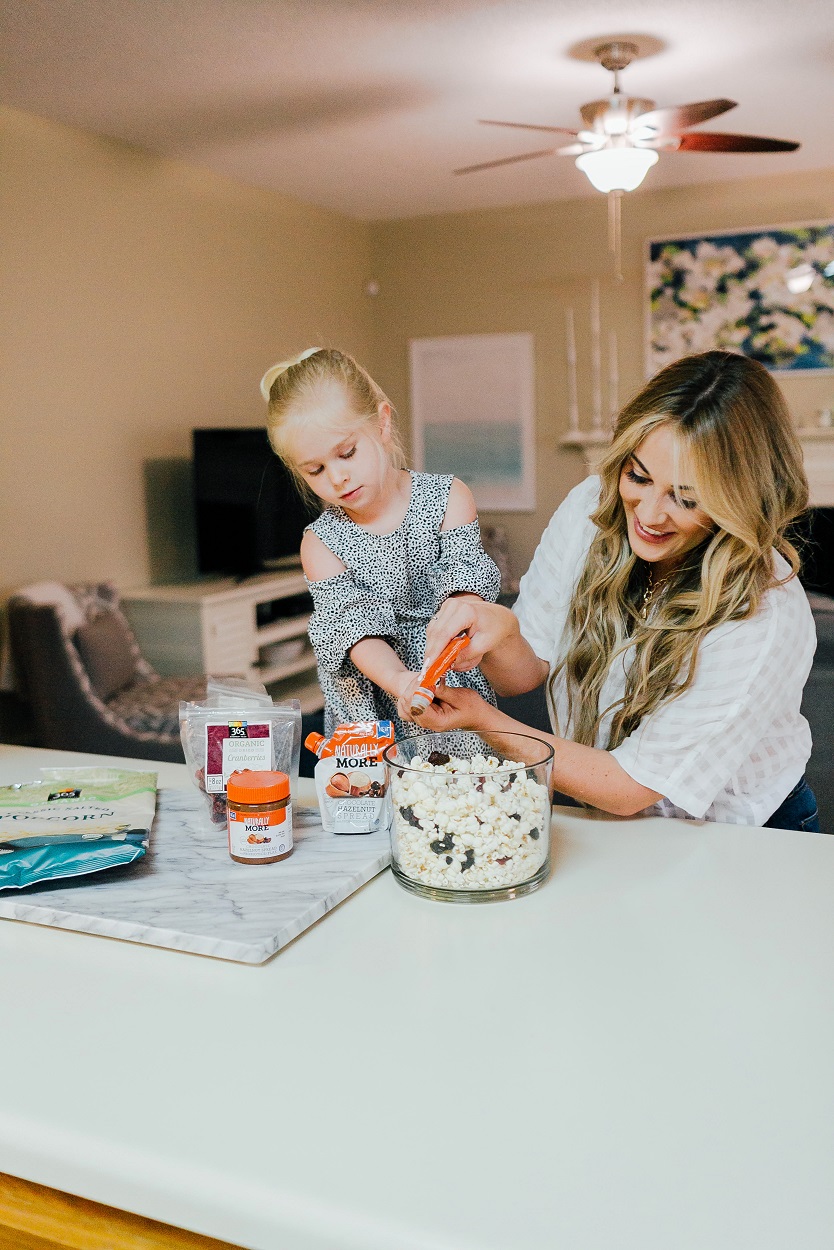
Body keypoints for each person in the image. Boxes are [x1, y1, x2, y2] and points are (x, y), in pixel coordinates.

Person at [410, 350, 820, 832]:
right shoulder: (590, 507)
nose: (647, 515)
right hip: (610, 812)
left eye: (685, 498)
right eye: (638, 476)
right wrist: (497, 631)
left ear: (740, 498)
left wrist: (484, 723)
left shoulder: (764, 613)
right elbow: (522, 674)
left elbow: (629, 786)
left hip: (741, 832)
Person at [260, 346, 501, 739]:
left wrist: (437, 658)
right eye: (316, 469)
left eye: (347, 453)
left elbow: (466, 592)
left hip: (449, 683)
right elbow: (355, 631)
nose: (336, 478)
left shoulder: (448, 499)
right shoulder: (320, 544)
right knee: (370, 795)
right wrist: (400, 680)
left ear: (382, 424)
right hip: (370, 703)